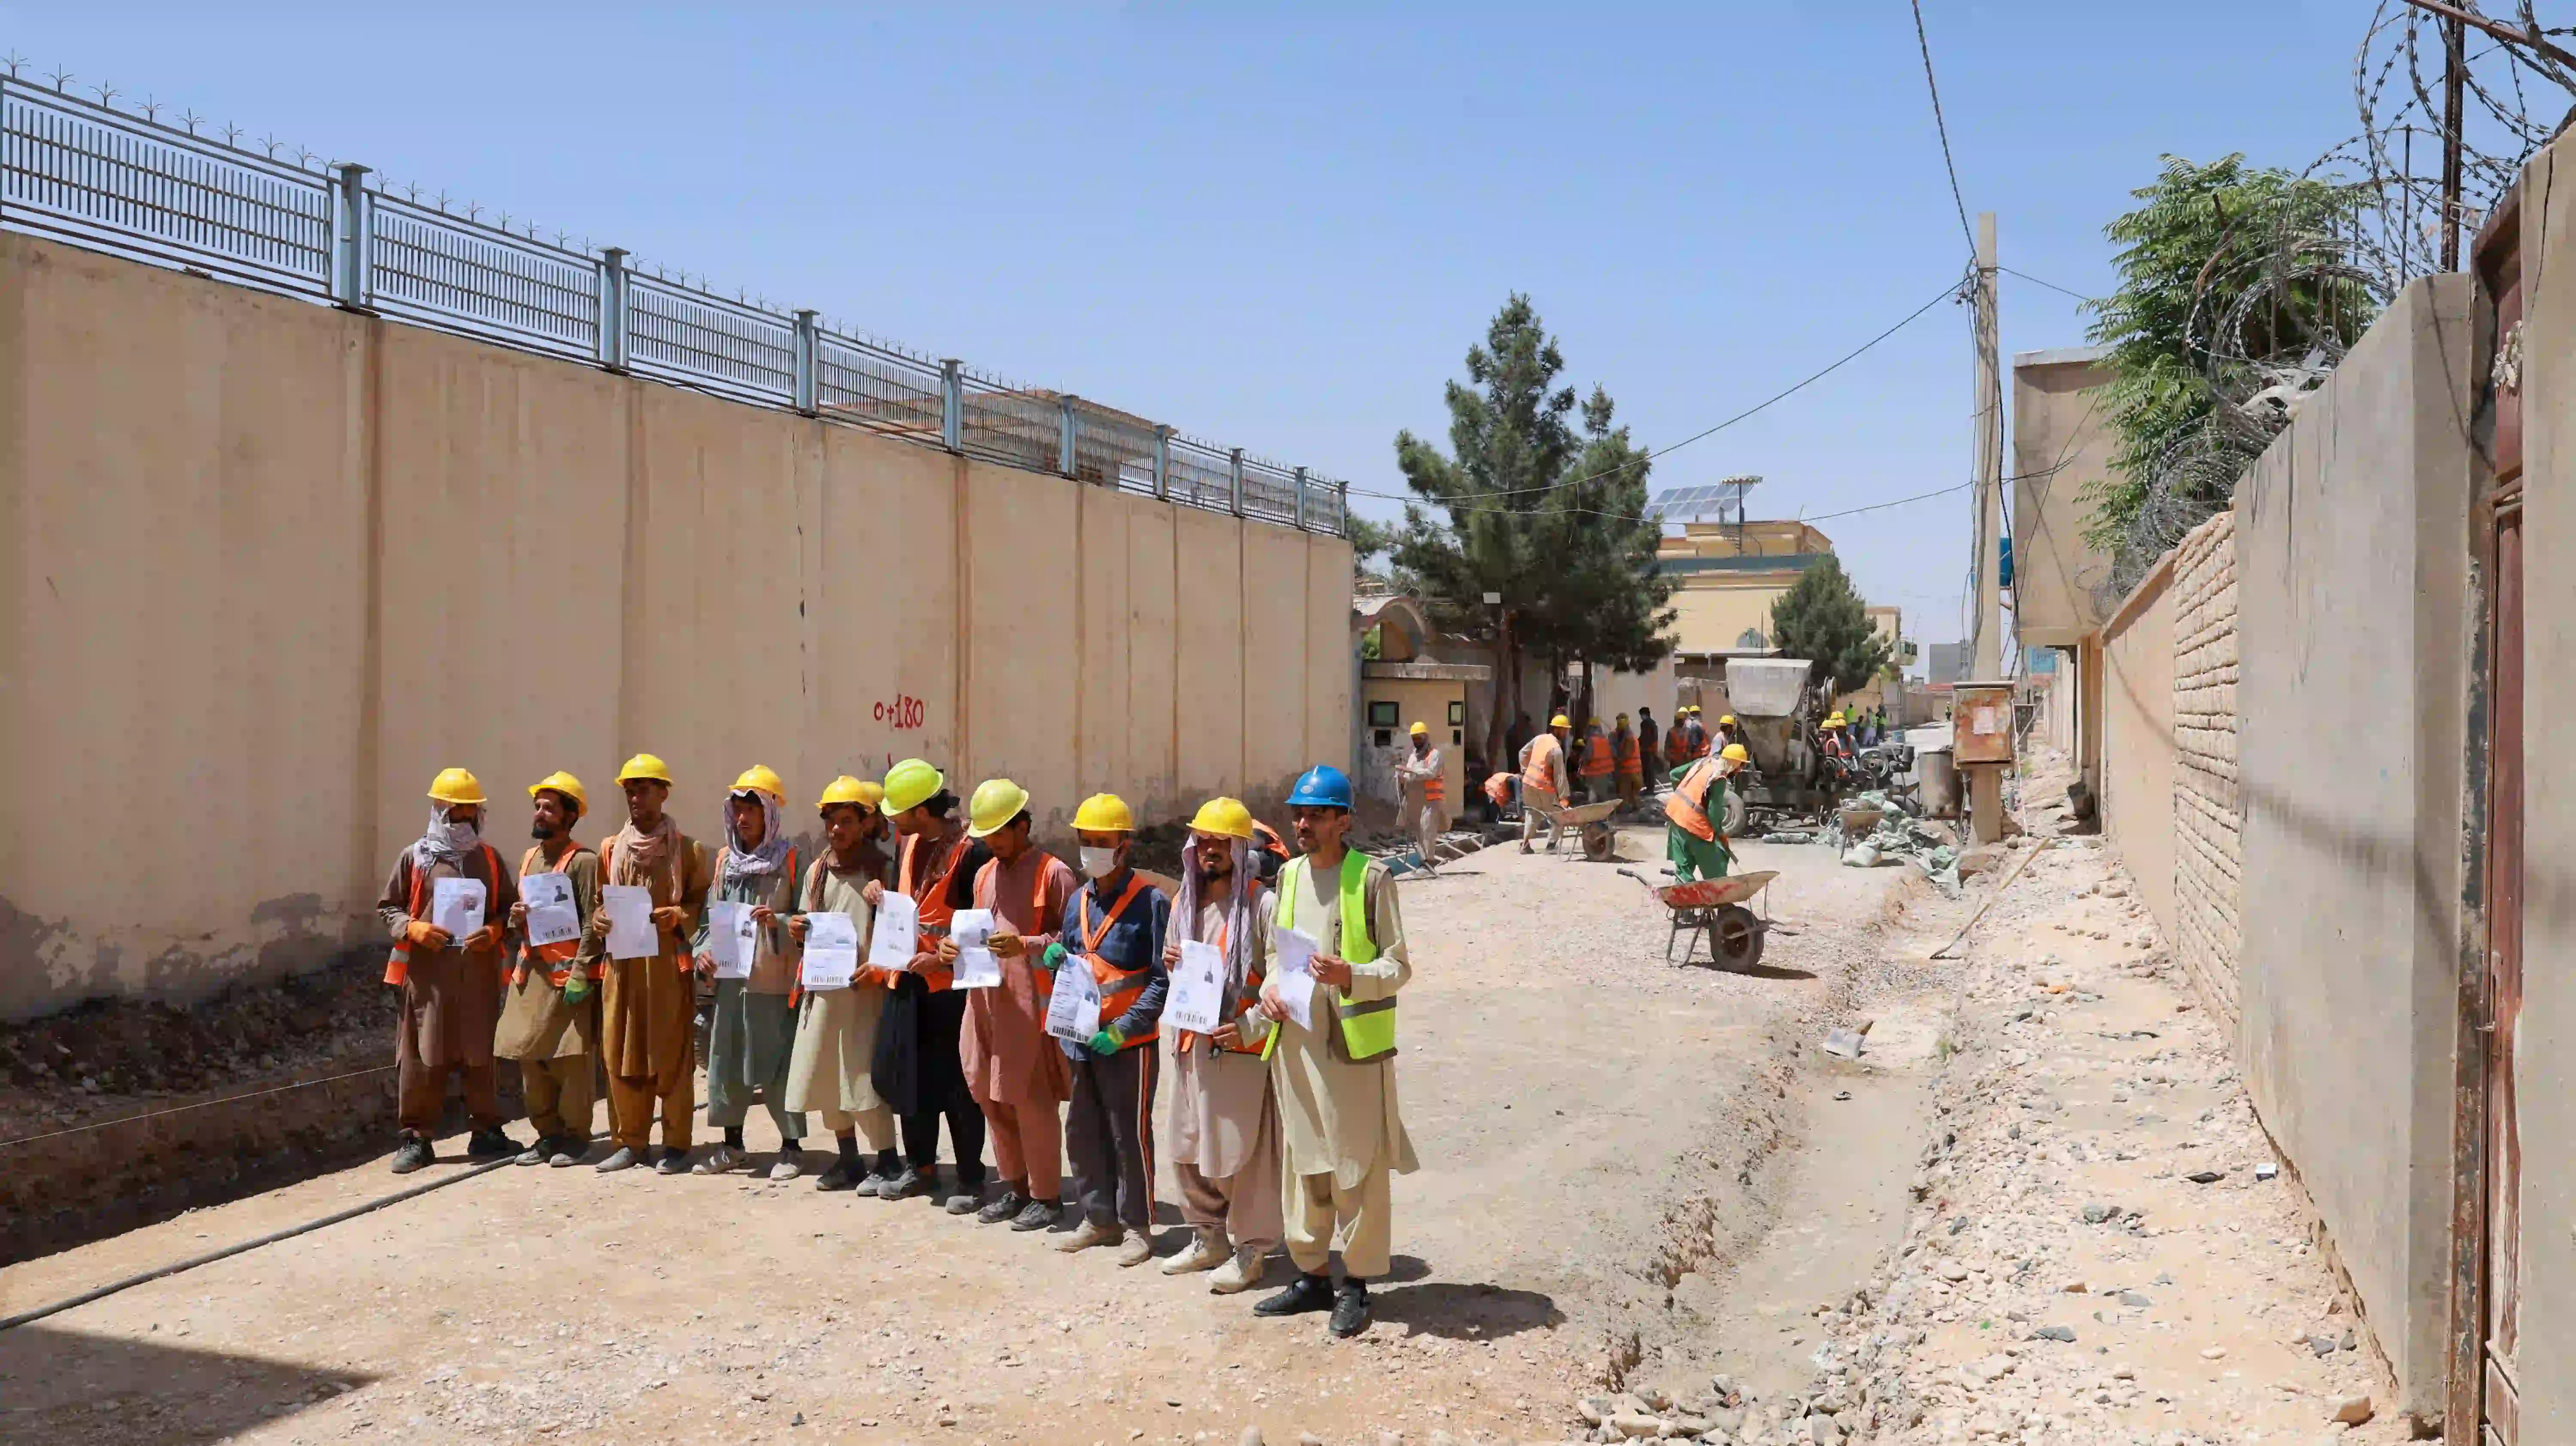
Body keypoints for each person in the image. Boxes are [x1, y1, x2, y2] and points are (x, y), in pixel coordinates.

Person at [1248, 765, 1416, 1340]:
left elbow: (1398, 966)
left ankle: (1359, 1284)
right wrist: (1271, 991)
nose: (1303, 823)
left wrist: (1350, 975)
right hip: (1295, 1046)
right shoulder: (1288, 877)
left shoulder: (1371, 880)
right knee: (1305, 1166)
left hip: (1349, 1052)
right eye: (1299, 813)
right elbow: (1279, 955)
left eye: (1317, 814)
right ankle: (1312, 1275)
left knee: (1356, 1168)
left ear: (1344, 821)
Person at [1038, 793, 1170, 1266]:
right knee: (1084, 1128)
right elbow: (1080, 964)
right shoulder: (1077, 899)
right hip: (1081, 1037)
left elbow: (1161, 980)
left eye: (1102, 841)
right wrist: (1056, 957)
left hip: (1128, 1042)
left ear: (1124, 846)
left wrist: (1125, 1028)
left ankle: (1137, 1224)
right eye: (1085, 840)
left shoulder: (1150, 902)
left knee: (1128, 1133)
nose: (1092, 849)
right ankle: (1098, 1218)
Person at [1159, 798, 1283, 1294]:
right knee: (1188, 1144)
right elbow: (1178, 971)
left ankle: (1252, 1248)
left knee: (1243, 1153)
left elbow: (1280, 976)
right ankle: (1208, 1236)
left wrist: (1251, 1023)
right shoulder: (1183, 904)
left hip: (1239, 1046)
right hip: (1191, 1042)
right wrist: (1173, 960)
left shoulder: (1261, 903)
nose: (1210, 850)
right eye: (1202, 841)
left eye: (1220, 841)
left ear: (1238, 847)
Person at [377, 768, 518, 1173]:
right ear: (440, 810)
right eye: (455, 812)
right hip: (428, 980)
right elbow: (389, 907)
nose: (463, 820)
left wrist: (494, 930)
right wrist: (414, 927)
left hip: (477, 975)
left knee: (480, 1054)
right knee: (423, 1056)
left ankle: (487, 1131)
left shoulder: (488, 859)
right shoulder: (416, 857)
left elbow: (507, 909)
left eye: (470, 812)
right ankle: (417, 1139)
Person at [955, 778, 1077, 1228]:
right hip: (984, 1001)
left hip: (1031, 1010)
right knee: (989, 1092)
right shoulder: (985, 873)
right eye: (987, 836)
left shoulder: (1054, 873)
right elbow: (974, 932)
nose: (992, 843)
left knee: (1030, 1099)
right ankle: (1017, 1187)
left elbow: (1076, 940)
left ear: (1023, 825)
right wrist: (953, 948)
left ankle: (1047, 1196)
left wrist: (1025, 944)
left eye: (1000, 833)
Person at [589, 753, 713, 1175]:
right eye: (629, 790)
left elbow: (703, 903)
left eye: (643, 789)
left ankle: (676, 1143)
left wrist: (681, 916)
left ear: (663, 792)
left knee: (672, 1054)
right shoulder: (610, 848)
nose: (635, 797)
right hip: (622, 970)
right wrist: (599, 919)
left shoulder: (687, 849)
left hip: (666, 969)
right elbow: (597, 905)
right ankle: (630, 1141)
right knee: (621, 1050)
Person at [874, 759, 987, 1211]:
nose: (892, 819)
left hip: (952, 991)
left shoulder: (972, 852)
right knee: (907, 1077)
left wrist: (938, 960)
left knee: (958, 1086)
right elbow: (911, 903)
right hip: (908, 982)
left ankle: (971, 1178)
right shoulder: (910, 845)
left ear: (922, 810)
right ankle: (919, 1168)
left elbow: (979, 926)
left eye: (898, 811)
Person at [785, 776, 902, 1193]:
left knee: (863, 1073)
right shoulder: (817, 870)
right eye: (832, 821)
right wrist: (798, 927)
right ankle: (848, 1157)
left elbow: (900, 930)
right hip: (823, 987)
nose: (838, 829)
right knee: (827, 1073)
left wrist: (880, 961)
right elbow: (806, 919)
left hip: (866, 990)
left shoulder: (883, 868)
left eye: (847, 820)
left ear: (866, 823)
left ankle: (887, 1159)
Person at [692, 766, 809, 1179]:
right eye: (737, 810)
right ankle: (732, 1145)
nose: (743, 819)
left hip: (774, 982)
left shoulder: (793, 858)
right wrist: (703, 952)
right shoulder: (726, 860)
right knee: (726, 1063)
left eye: (752, 810)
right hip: (730, 982)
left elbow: (809, 917)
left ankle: (792, 1148)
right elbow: (709, 921)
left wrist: (776, 919)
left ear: (770, 814)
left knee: (779, 1065)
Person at [495, 771, 601, 1168]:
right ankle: (546, 1135)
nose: (540, 813)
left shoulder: (584, 862)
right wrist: (516, 917)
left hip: (567, 979)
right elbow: (520, 918)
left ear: (570, 816)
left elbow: (593, 922)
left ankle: (575, 1138)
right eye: (537, 806)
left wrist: (581, 974)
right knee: (531, 1059)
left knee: (569, 1061)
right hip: (531, 976)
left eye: (549, 807)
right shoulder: (530, 858)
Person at [1665, 744, 1749, 884]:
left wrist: (1684, 798)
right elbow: (1714, 813)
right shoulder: (1719, 778)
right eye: (1741, 766)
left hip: (1676, 814)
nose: (1740, 770)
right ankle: (1718, 901)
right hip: (1693, 823)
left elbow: (1674, 775)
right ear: (1734, 763)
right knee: (1717, 867)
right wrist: (1720, 834)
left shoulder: (1704, 762)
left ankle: (1685, 904)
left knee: (1684, 870)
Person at [1392, 722, 1447, 874]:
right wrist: (1402, 777)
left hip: (1432, 800)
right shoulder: (1413, 757)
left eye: (1419, 738)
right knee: (1419, 833)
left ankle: (1429, 863)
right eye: (1414, 739)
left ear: (1426, 737)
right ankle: (1423, 864)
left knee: (1428, 831)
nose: (1417, 741)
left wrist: (1410, 771)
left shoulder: (1435, 755)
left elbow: (1431, 773)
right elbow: (1410, 775)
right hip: (1417, 801)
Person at [1517, 714, 1574, 853]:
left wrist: (1526, 770)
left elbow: (1523, 753)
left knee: (1533, 813)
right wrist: (1564, 797)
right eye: (1565, 730)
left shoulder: (1540, 739)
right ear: (1558, 730)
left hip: (1528, 783)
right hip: (1543, 787)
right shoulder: (1557, 750)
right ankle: (1551, 845)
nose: (1567, 733)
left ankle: (1525, 845)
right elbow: (1560, 775)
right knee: (1559, 815)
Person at [1578, 717, 1615, 803]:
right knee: (1603, 796)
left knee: (1593, 797)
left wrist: (1582, 761)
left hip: (1593, 773)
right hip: (1605, 772)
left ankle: (1594, 814)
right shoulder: (1606, 740)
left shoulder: (1592, 740)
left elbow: (1588, 756)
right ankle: (1604, 814)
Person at [1611, 712, 1643, 808]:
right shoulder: (1629, 736)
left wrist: (1617, 762)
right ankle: (1635, 810)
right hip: (1634, 770)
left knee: (1625, 794)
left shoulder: (1629, 739)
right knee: (1633, 795)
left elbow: (1626, 754)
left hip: (1629, 771)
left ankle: (1625, 811)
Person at [1636, 708, 1662, 788]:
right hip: (1650, 749)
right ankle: (1650, 786)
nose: (1641, 717)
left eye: (1642, 715)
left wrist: (1639, 743)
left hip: (1646, 749)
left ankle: (1649, 787)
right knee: (1649, 769)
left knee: (1648, 769)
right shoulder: (1652, 723)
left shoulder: (1646, 724)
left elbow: (1646, 737)